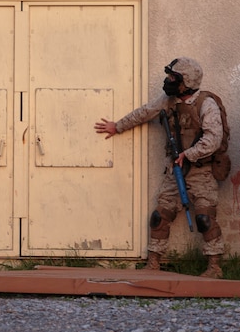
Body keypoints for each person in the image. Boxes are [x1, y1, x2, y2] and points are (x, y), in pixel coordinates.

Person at [95, 57, 226, 278]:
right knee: (160, 216)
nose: (169, 81)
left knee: (205, 218)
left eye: (174, 77)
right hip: (174, 170)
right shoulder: (169, 100)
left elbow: (213, 139)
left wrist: (189, 154)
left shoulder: (206, 104)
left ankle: (214, 267)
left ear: (188, 81)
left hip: (200, 171)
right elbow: (145, 112)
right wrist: (117, 126)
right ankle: (153, 263)